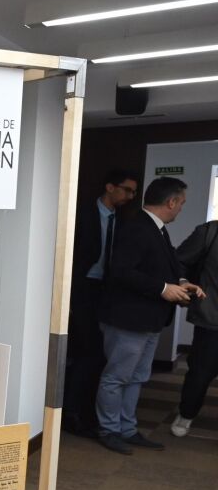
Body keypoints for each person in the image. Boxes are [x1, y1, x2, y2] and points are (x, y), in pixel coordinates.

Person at [96, 176, 204, 454]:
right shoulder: (136, 227)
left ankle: (127, 429)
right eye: (182, 203)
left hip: (149, 320)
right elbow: (121, 272)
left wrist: (182, 283)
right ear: (171, 202)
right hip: (128, 320)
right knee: (116, 378)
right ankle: (109, 430)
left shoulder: (156, 228)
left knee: (137, 377)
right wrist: (163, 288)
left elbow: (162, 266)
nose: (181, 208)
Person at [64, 169, 139, 437]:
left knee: (100, 353)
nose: (130, 196)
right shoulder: (81, 213)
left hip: (107, 291)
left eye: (134, 192)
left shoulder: (125, 220)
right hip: (81, 286)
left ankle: (85, 412)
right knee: (87, 350)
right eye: (127, 190)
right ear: (109, 187)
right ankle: (72, 412)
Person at [171, 218, 218, 437]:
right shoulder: (209, 232)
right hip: (211, 317)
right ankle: (186, 413)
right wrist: (182, 282)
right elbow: (178, 261)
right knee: (200, 372)